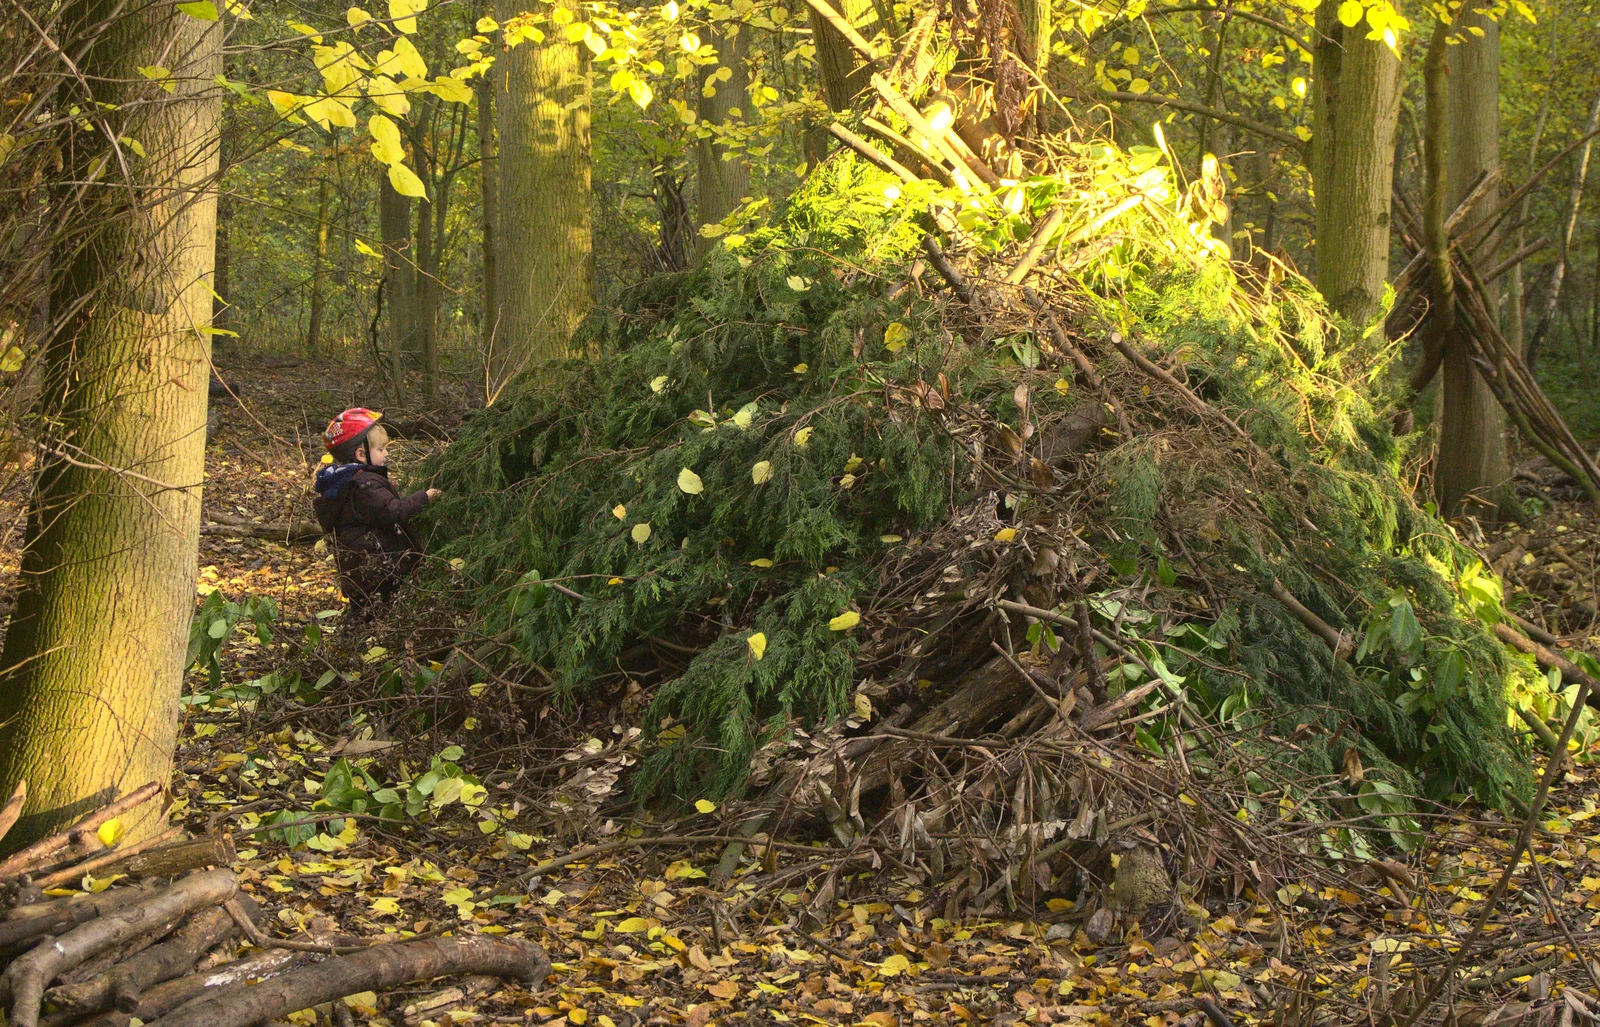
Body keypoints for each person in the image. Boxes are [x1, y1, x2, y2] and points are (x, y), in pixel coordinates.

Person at [312, 407, 440, 621]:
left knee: (364, 618)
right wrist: (424, 497)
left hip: (360, 575)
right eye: (381, 449)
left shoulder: (345, 483)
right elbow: (394, 512)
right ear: (361, 454)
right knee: (379, 619)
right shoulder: (365, 485)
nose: (386, 454)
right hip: (379, 571)